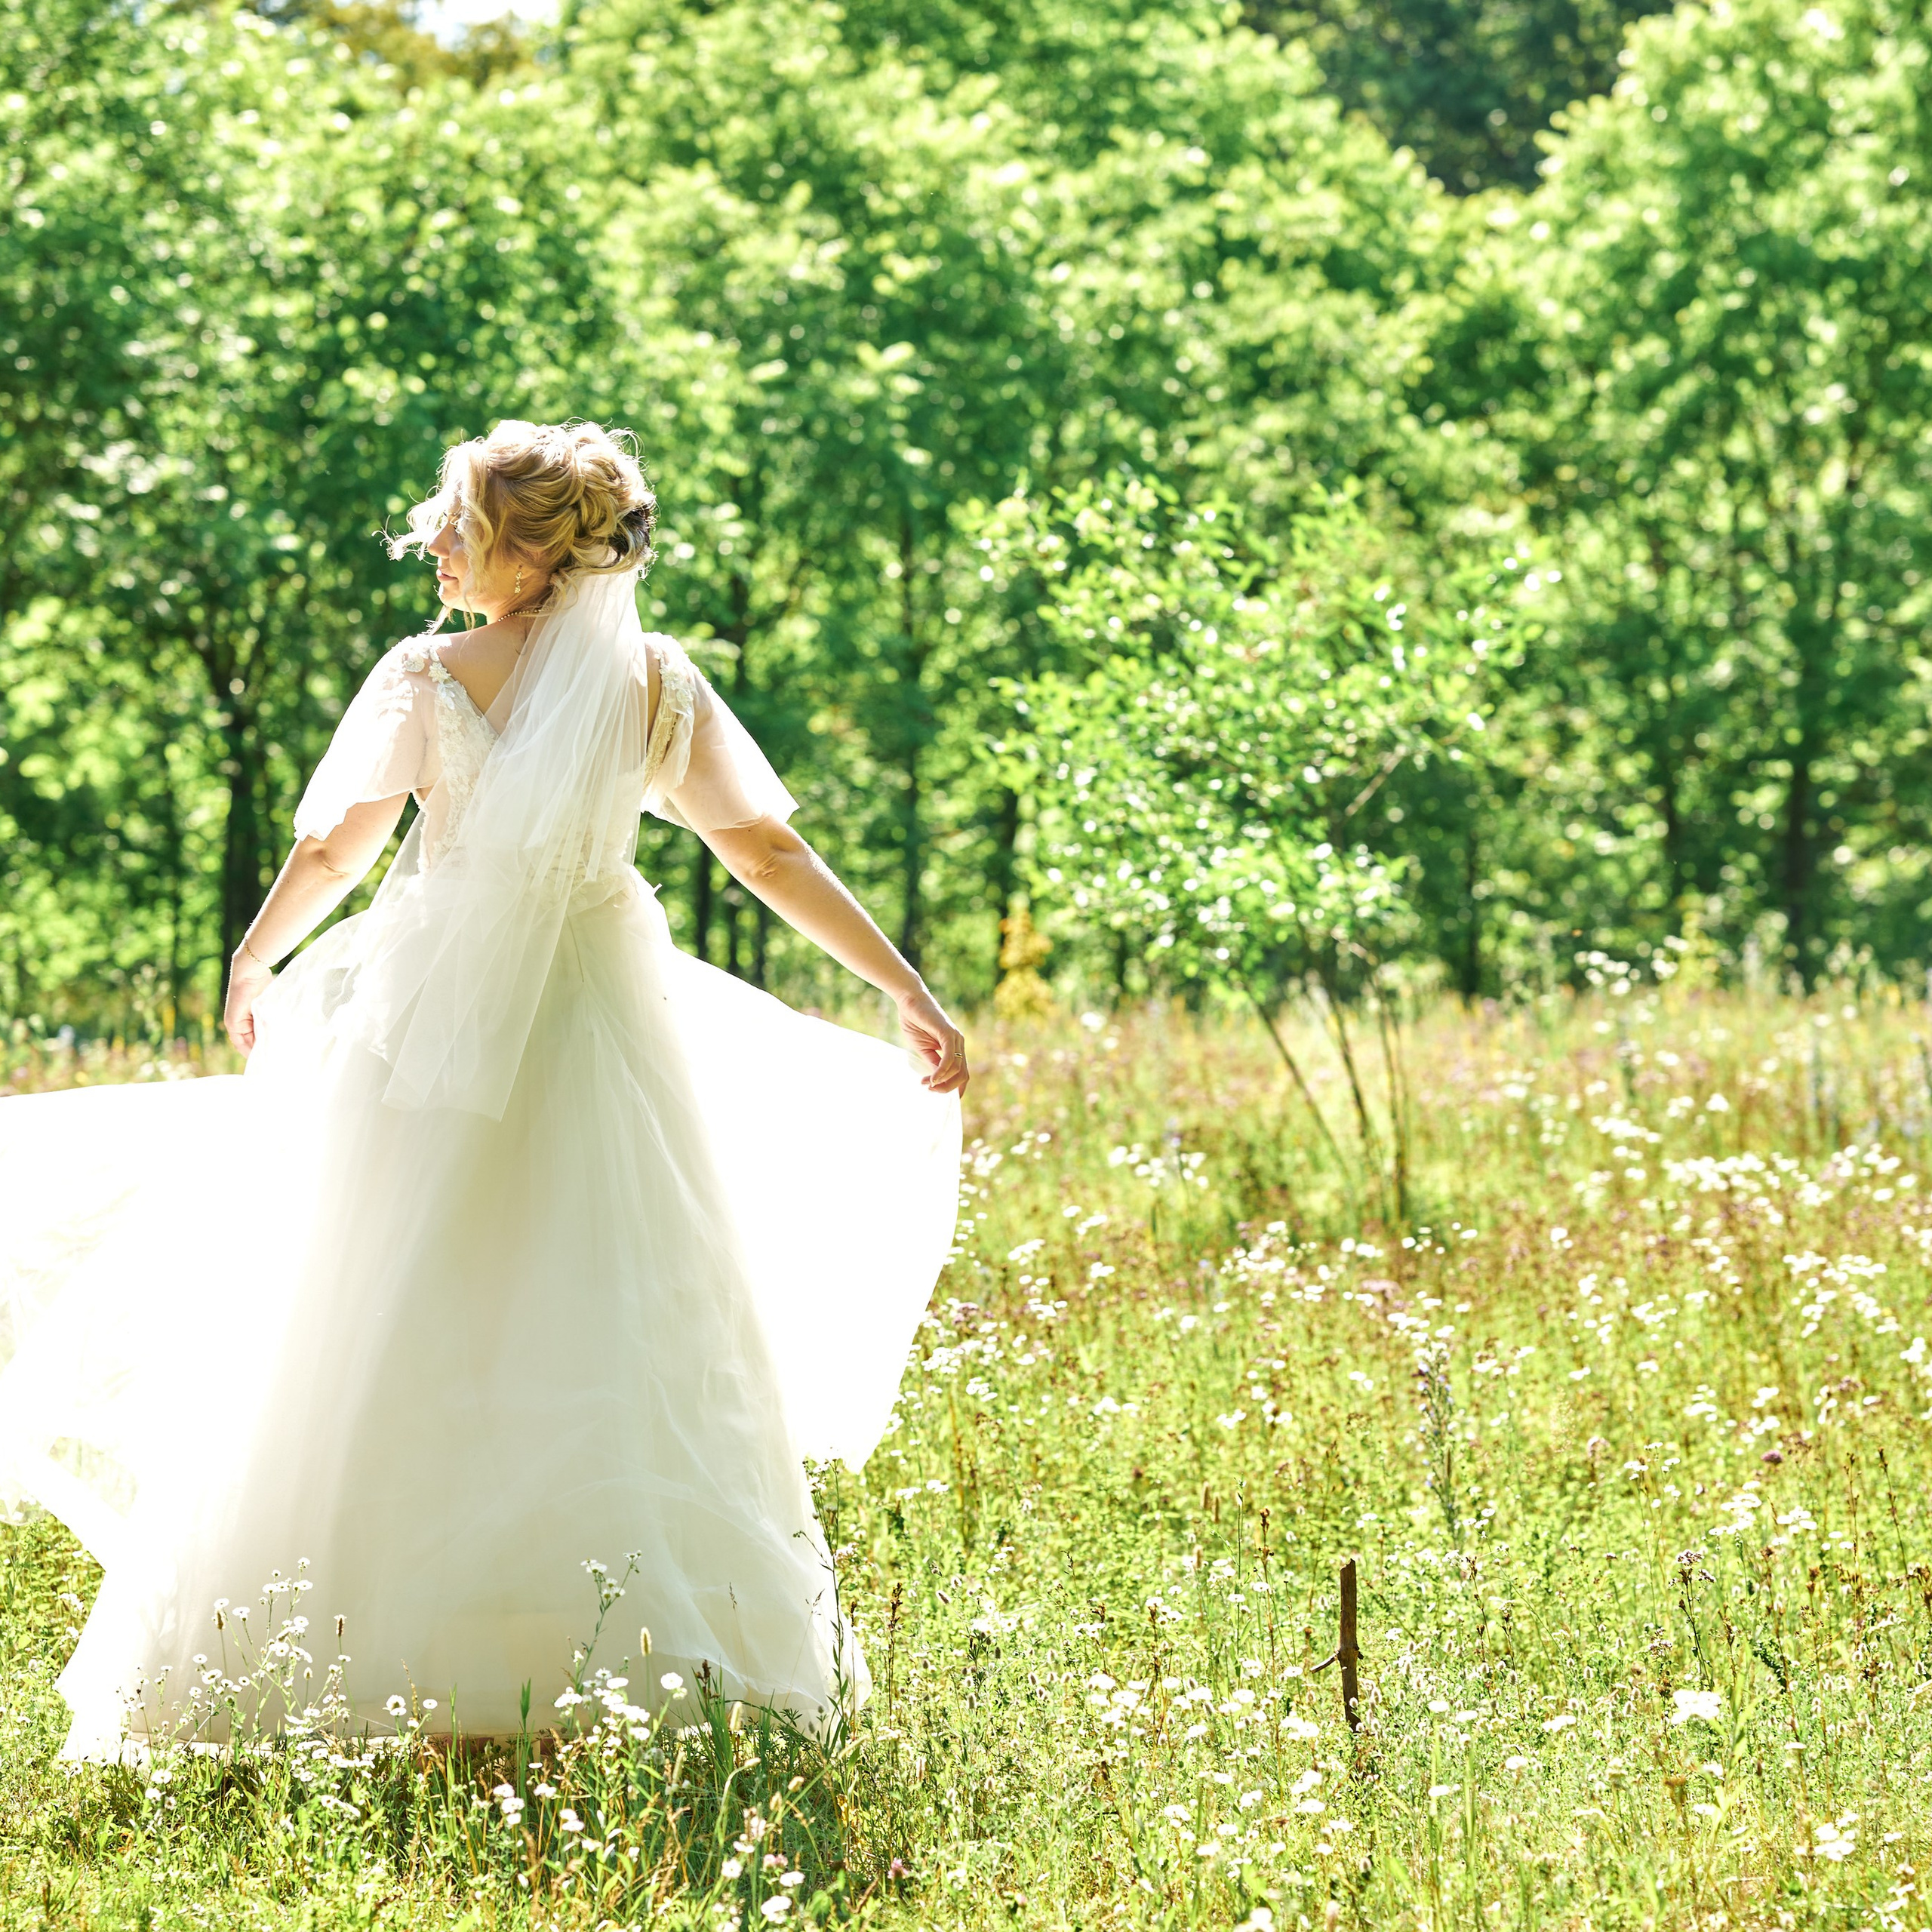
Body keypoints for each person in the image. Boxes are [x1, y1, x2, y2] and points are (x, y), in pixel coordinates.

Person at [0, 419, 967, 1759]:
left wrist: (259, 949)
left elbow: (344, 842)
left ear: (522, 553)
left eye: (454, 523)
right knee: (609, 1312)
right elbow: (764, 853)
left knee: (377, 1309)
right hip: (601, 1018)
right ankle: (615, 1660)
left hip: (427, 1024)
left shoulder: (428, 674)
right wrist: (903, 981)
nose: (431, 540)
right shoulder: (656, 683)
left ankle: (347, 1652)